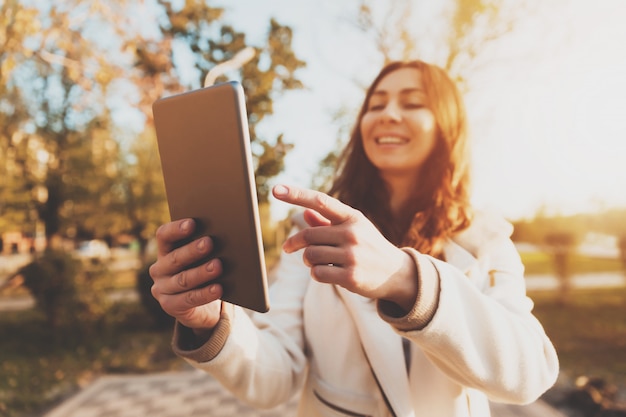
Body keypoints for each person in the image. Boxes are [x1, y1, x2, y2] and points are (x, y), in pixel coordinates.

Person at [149, 60, 559, 416]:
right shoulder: (311, 232)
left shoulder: (484, 239)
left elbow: (529, 374)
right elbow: (273, 378)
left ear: (446, 126)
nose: (388, 114)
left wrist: (405, 278)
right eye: (376, 104)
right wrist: (212, 324)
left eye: (412, 103)